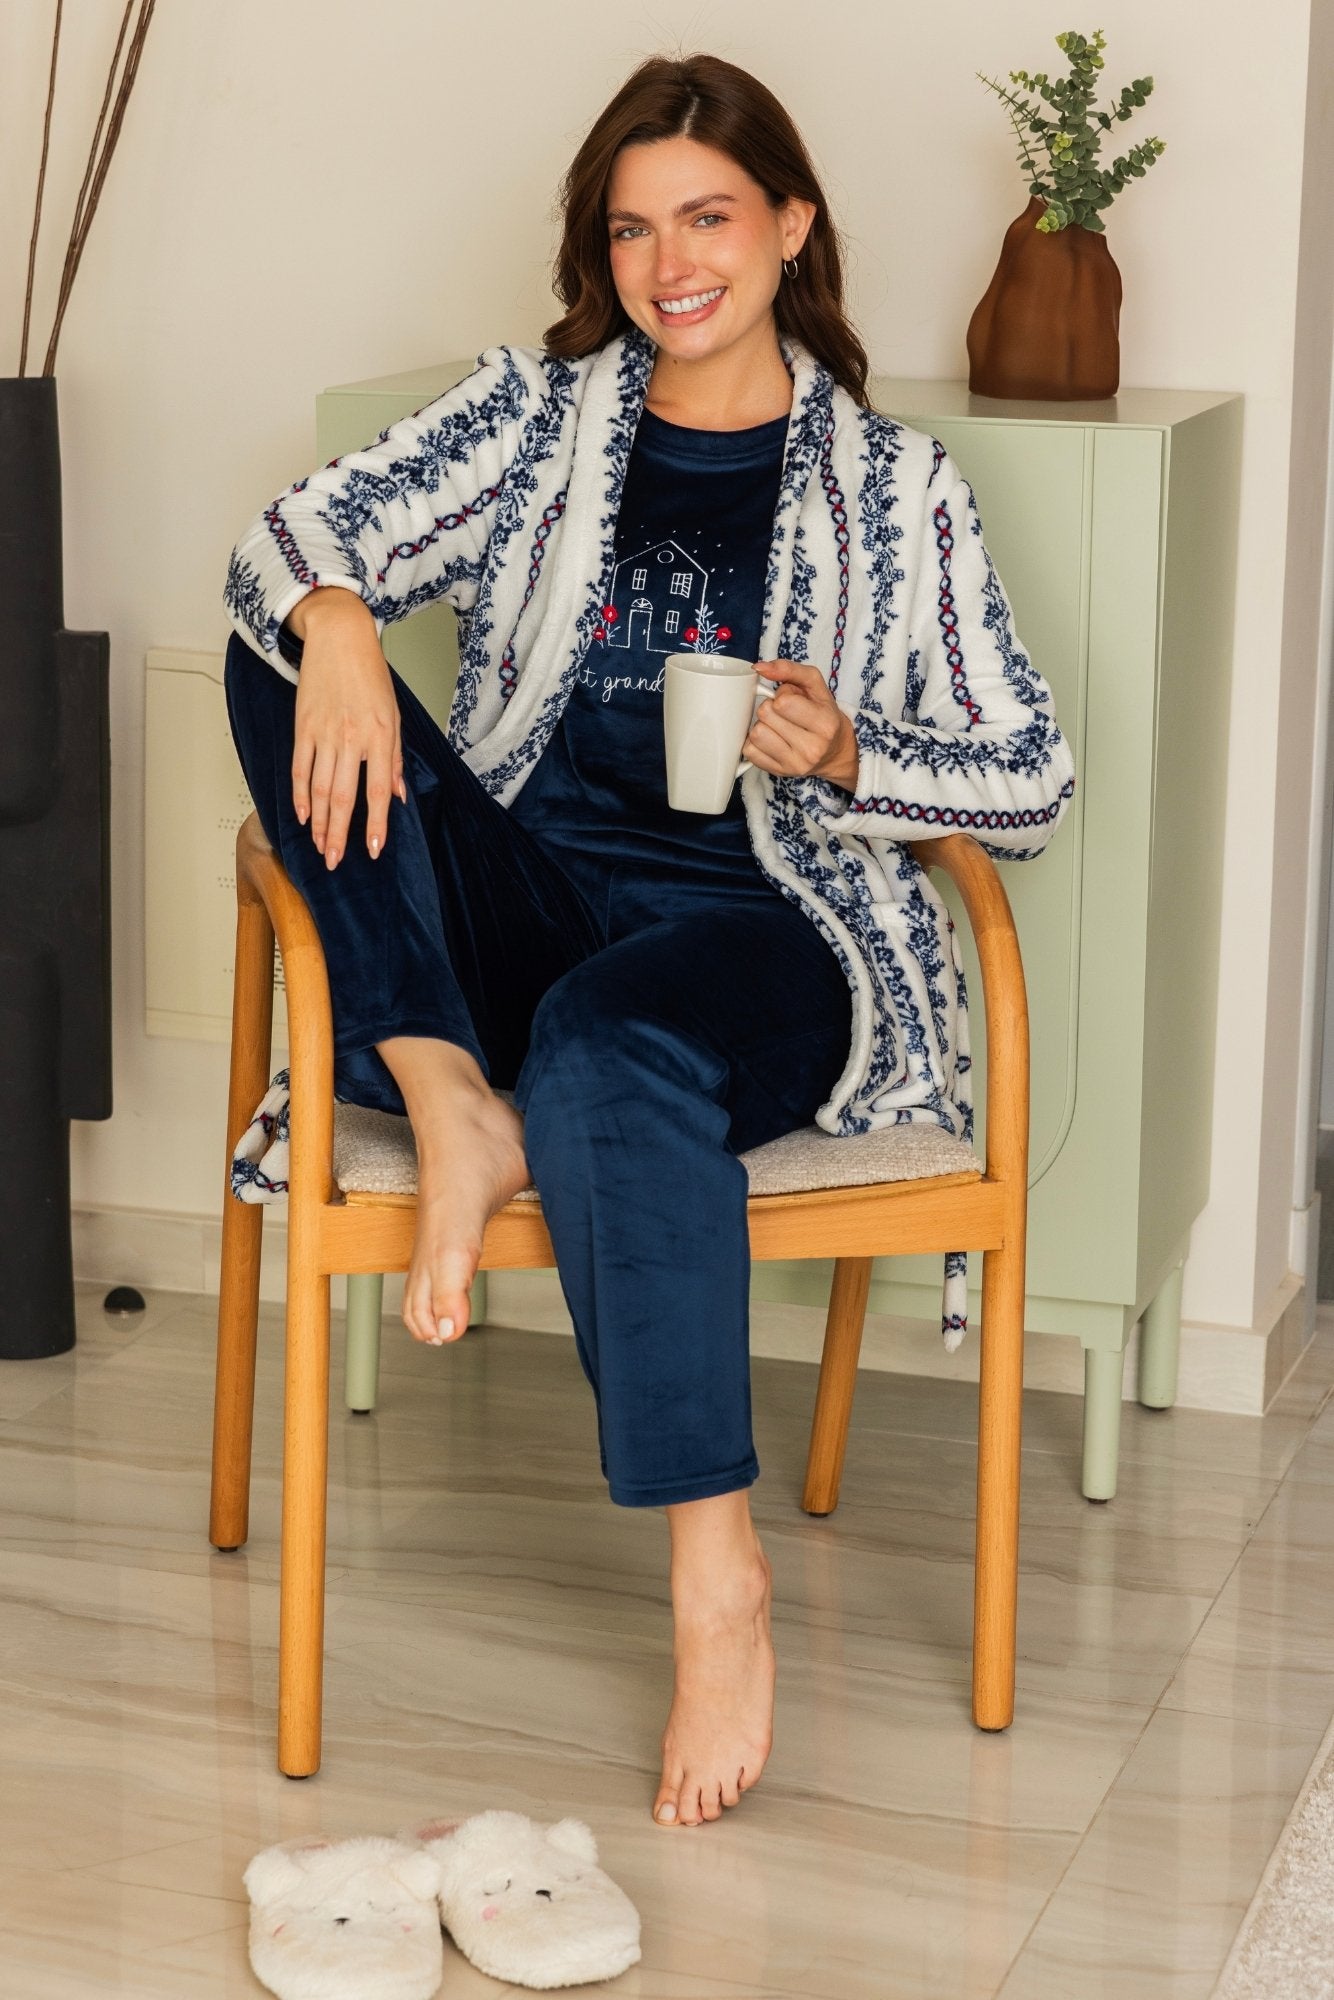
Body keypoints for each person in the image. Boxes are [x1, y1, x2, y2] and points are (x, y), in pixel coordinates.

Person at [222, 51, 1074, 1832]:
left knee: (610, 1051)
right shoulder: (536, 421)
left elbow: (1031, 775)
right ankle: (450, 1091)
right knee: (273, 648)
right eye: (630, 230)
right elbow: (288, 542)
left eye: (706, 218)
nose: (669, 264)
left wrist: (852, 756)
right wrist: (343, 620)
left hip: (763, 935)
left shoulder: (893, 486)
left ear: (789, 225)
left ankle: (715, 1579)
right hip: (538, 899)